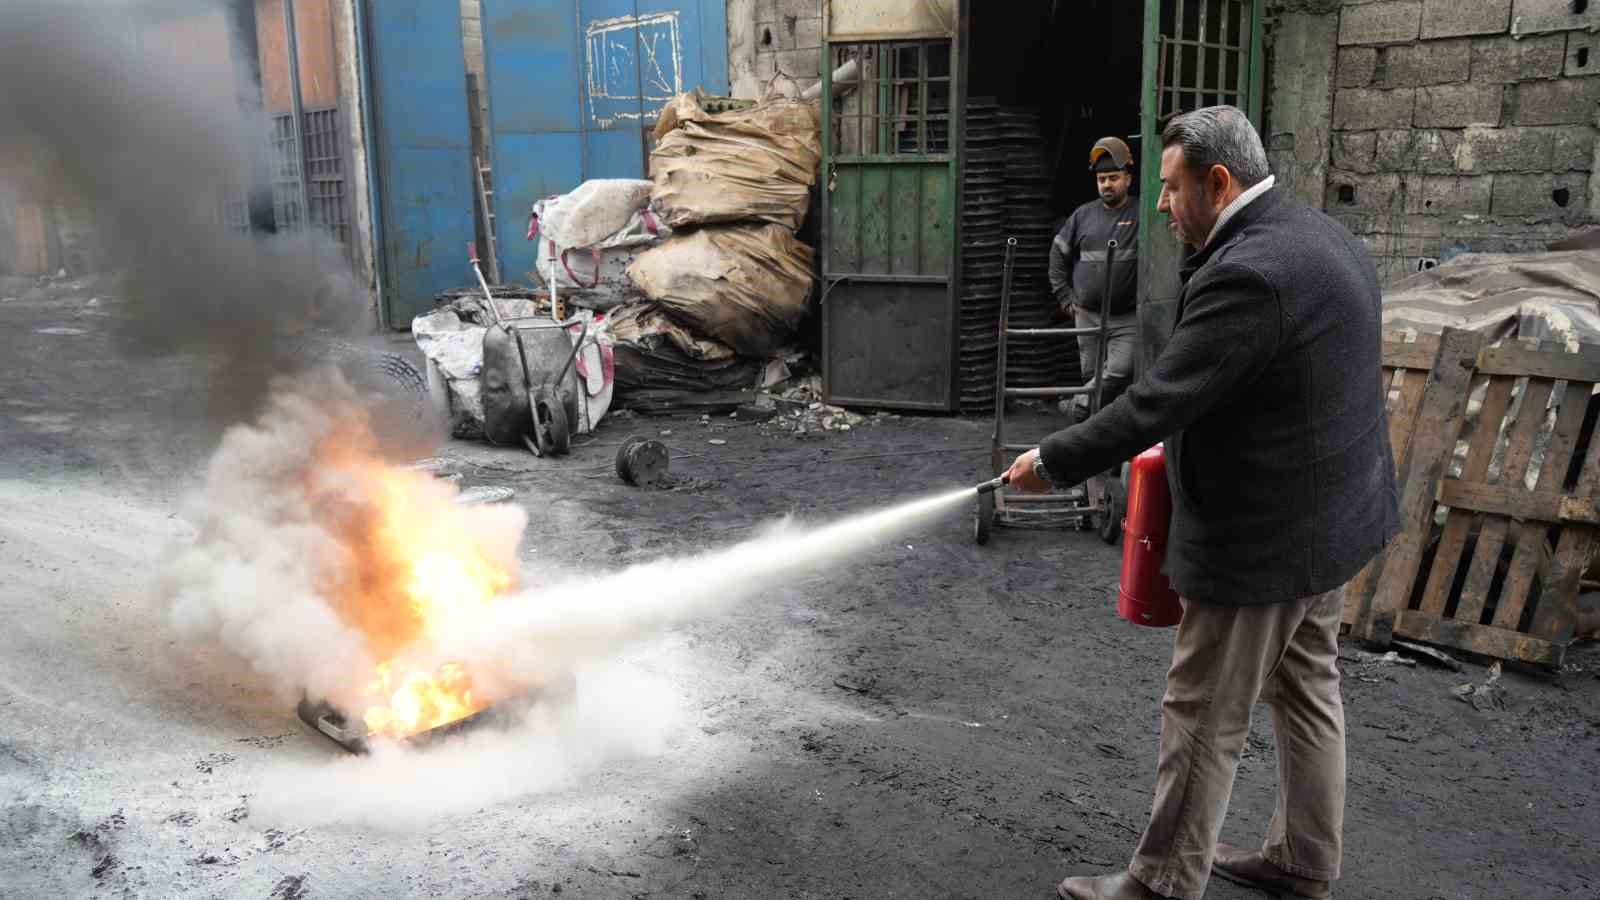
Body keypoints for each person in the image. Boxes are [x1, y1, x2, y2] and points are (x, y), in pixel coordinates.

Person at [1006, 106, 1401, 900]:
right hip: (1335, 519)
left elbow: (1160, 399)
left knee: (1201, 710)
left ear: (1218, 183)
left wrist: (1054, 458)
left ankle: (1160, 882)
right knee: (1307, 689)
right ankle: (1302, 858)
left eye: (1170, 186)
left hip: (1268, 537)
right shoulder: (1317, 232)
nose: (1158, 204)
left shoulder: (1249, 273)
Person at [1048, 136, 1140, 423]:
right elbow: (1057, 255)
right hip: (1086, 315)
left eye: (1113, 177)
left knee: (1120, 371)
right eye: (1101, 179)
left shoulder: (1142, 213)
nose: (1106, 184)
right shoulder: (1082, 215)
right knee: (1092, 375)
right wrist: (1064, 296)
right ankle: (1095, 438)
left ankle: (1077, 405)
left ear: (1128, 179)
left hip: (1126, 317)